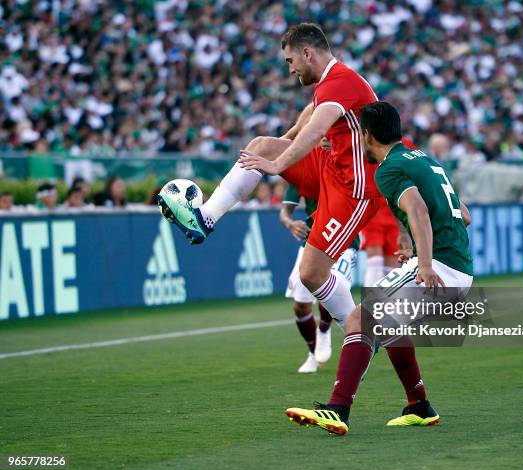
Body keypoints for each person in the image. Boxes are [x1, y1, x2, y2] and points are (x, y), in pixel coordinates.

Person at [159, 23, 382, 327]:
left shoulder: (339, 82)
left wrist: (278, 166)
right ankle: (204, 219)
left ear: (307, 53)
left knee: (311, 274)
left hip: (353, 189)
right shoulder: (330, 83)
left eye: (290, 61)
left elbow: (315, 130)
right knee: (261, 146)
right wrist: (280, 148)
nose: (290, 69)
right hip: (330, 169)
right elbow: (308, 127)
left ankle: (356, 328)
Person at [285, 101, 473, 435]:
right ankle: (420, 406)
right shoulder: (425, 160)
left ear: (367, 136)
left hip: (440, 268)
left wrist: (426, 262)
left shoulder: (388, 169)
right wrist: (418, 252)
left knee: (360, 317)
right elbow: (464, 216)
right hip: (456, 266)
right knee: (388, 327)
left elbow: (417, 211)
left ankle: (338, 409)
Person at [281, 182, 358, 373]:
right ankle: (312, 353)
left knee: (328, 288)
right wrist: (290, 223)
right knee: (300, 306)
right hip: (312, 240)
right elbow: (285, 213)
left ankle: (324, 330)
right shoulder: (304, 167)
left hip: (344, 238)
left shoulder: (348, 165)